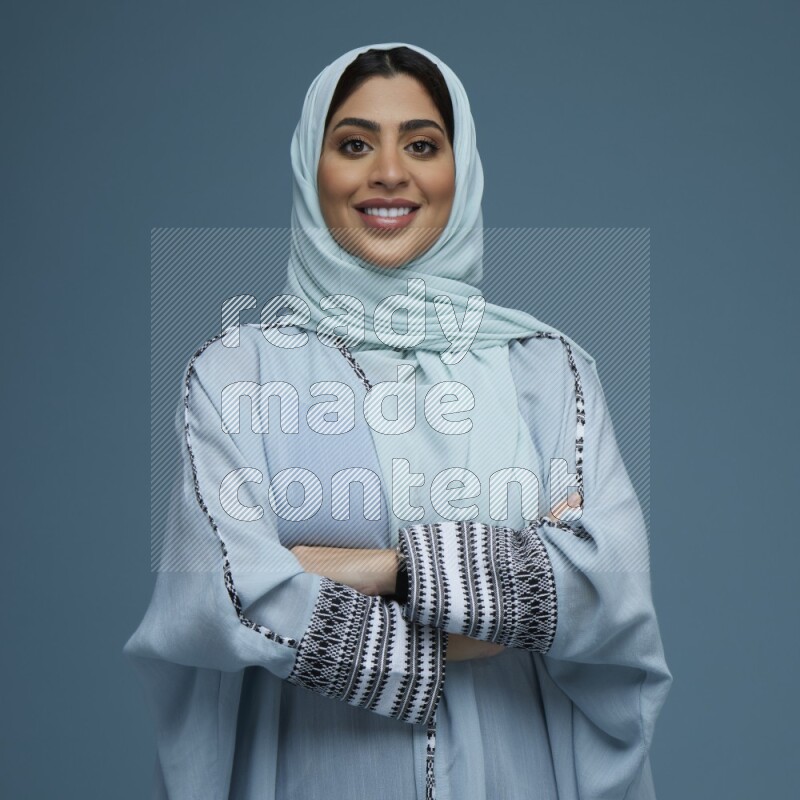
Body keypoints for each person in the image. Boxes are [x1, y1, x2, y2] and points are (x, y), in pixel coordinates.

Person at [124, 42, 672, 799]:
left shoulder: (549, 369)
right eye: (354, 144)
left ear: (462, 169)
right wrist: (506, 596)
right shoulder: (236, 373)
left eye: (422, 144)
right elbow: (221, 600)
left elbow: (608, 591)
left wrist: (383, 570)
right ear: (311, 169)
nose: (389, 172)